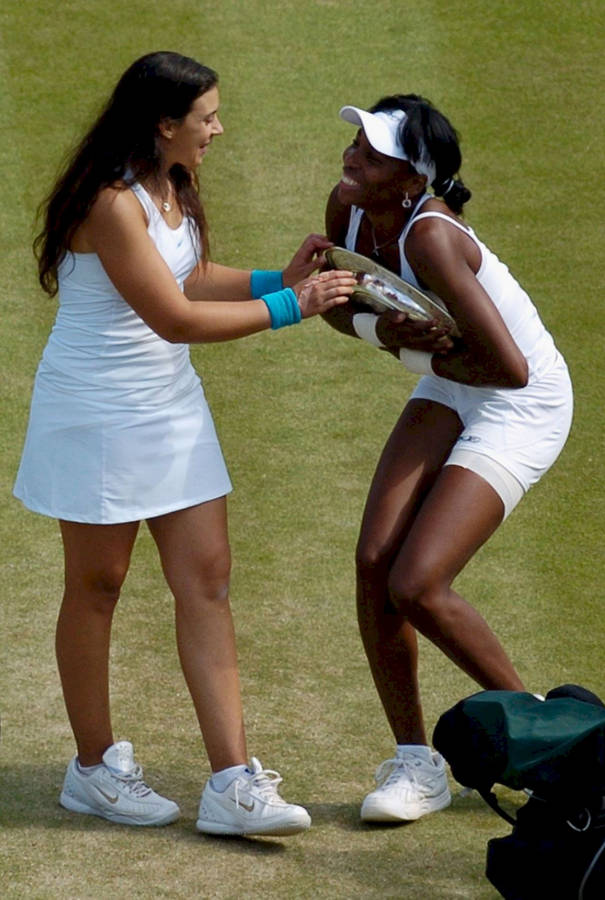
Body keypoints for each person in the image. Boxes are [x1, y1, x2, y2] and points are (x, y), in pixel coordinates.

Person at [13, 50, 355, 836]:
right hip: (96, 415)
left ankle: (232, 784)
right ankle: (92, 770)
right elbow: (173, 318)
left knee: (207, 583)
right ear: (163, 123)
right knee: (97, 586)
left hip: (172, 410)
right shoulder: (110, 203)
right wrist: (295, 307)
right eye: (207, 118)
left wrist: (276, 279)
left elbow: (190, 278)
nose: (218, 130)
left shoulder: (172, 183)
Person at [322, 94, 573, 824]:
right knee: (375, 562)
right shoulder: (347, 207)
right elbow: (336, 304)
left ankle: (556, 746)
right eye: (356, 144)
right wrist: (382, 333)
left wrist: (406, 348)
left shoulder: (431, 236)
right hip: (455, 380)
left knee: (419, 584)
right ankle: (416, 763)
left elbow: (511, 369)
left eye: (371, 154)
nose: (351, 159)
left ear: (411, 181)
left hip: (521, 401)